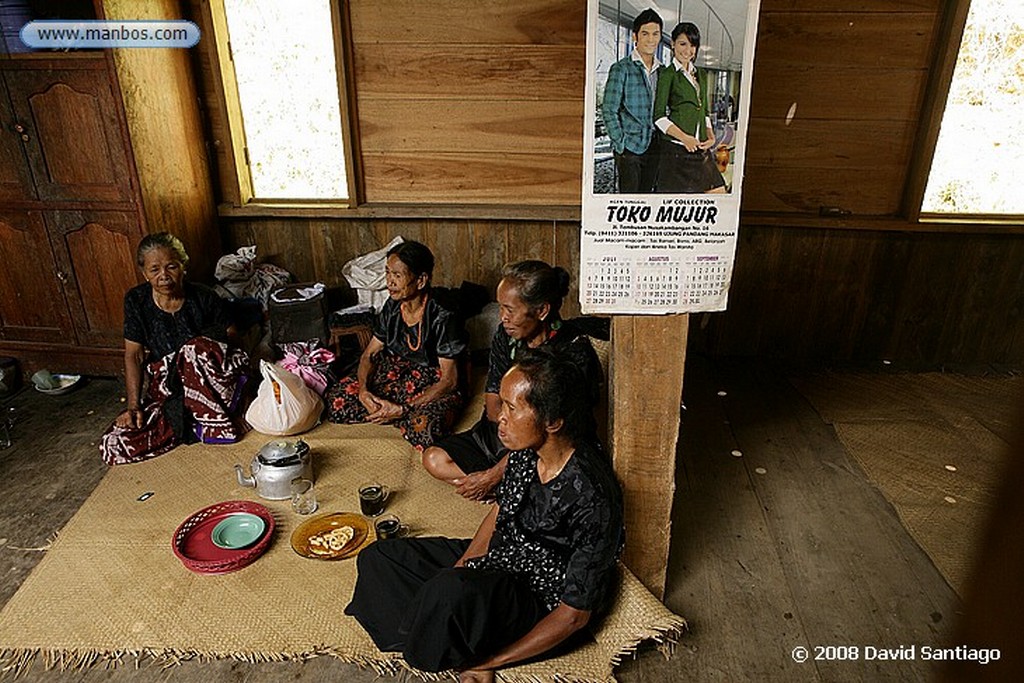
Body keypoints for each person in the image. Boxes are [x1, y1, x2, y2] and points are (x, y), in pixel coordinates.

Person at [346, 351, 625, 681]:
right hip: (504, 558)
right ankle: (437, 624)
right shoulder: (525, 452)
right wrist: (463, 566)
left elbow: (574, 616)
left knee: (444, 597)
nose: (500, 418)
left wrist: (491, 661)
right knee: (380, 559)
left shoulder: (591, 495)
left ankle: (446, 637)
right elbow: (499, 511)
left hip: (537, 600)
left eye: (511, 408)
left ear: (552, 421)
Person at [421, 260, 602, 500]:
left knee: (551, 483)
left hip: (547, 443)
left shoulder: (572, 353)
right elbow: (494, 406)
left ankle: (508, 488)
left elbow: (559, 432)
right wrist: (508, 426)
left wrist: (493, 475)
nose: (502, 317)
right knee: (433, 458)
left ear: (541, 311)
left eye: (510, 310)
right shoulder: (506, 337)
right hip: (505, 430)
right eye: (500, 308)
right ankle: (511, 490)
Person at [100, 233, 250, 466]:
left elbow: (233, 338)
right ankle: (194, 422)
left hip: (211, 383)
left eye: (171, 267)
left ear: (183, 266)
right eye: (154, 270)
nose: (164, 277)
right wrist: (133, 406)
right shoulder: (136, 301)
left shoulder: (204, 296)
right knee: (114, 444)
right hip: (168, 389)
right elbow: (134, 355)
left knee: (193, 350)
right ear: (144, 273)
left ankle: (214, 418)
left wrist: (198, 359)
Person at [325, 240, 466, 450]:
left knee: (424, 429)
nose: (390, 281)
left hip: (433, 379)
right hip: (399, 373)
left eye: (397, 275)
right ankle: (391, 413)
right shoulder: (392, 306)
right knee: (336, 400)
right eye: (388, 273)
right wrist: (364, 391)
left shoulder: (442, 315)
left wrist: (404, 408)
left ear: (420, 280)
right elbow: (369, 355)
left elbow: (449, 380)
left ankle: (397, 414)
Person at [653, 22, 727, 194]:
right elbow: (658, 117)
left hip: (700, 149)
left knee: (718, 193)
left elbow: (704, 111)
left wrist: (710, 135)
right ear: (672, 44)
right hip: (676, 150)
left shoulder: (700, 74)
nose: (688, 50)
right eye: (682, 44)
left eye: (692, 45)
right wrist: (685, 138)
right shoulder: (668, 74)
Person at [600, 8, 663, 193]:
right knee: (629, 203)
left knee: (647, 199)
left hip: (654, 146)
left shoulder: (662, 70)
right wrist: (620, 143)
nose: (651, 39)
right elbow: (608, 110)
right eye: (645, 34)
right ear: (635, 36)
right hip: (629, 148)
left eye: (655, 34)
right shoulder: (621, 68)